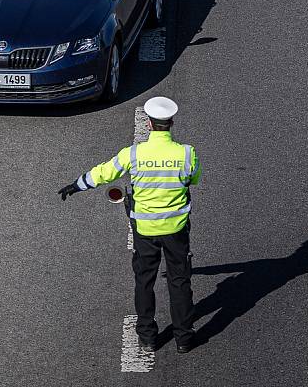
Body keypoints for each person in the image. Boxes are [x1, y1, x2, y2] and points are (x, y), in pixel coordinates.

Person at [58, 97, 201, 354]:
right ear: (171, 123)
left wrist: (77, 184)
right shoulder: (186, 153)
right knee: (179, 282)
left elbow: (105, 172)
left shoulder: (133, 154)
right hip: (176, 230)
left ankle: (147, 336)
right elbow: (194, 178)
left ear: (148, 124)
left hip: (145, 231)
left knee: (144, 281)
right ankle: (184, 338)